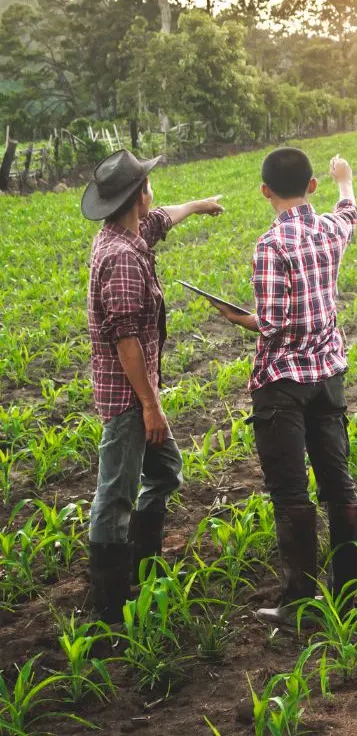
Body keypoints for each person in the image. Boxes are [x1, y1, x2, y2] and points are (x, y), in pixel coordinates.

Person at [213, 148, 357, 624]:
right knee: (337, 479)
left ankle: (300, 601)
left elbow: (272, 325)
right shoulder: (329, 229)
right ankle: (348, 591)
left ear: (264, 192)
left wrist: (237, 318)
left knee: (291, 493)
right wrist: (345, 179)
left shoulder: (270, 246)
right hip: (328, 376)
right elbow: (350, 211)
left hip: (281, 383)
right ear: (312, 186)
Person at [83, 149, 223, 621]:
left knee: (163, 473)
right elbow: (126, 343)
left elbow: (165, 217)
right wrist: (150, 406)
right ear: (138, 195)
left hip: (137, 396)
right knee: (115, 494)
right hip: (129, 399)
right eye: (148, 184)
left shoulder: (131, 232)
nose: (153, 193)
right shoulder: (122, 258)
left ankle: (146, 567)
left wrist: (201, 204)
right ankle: (108, 604)